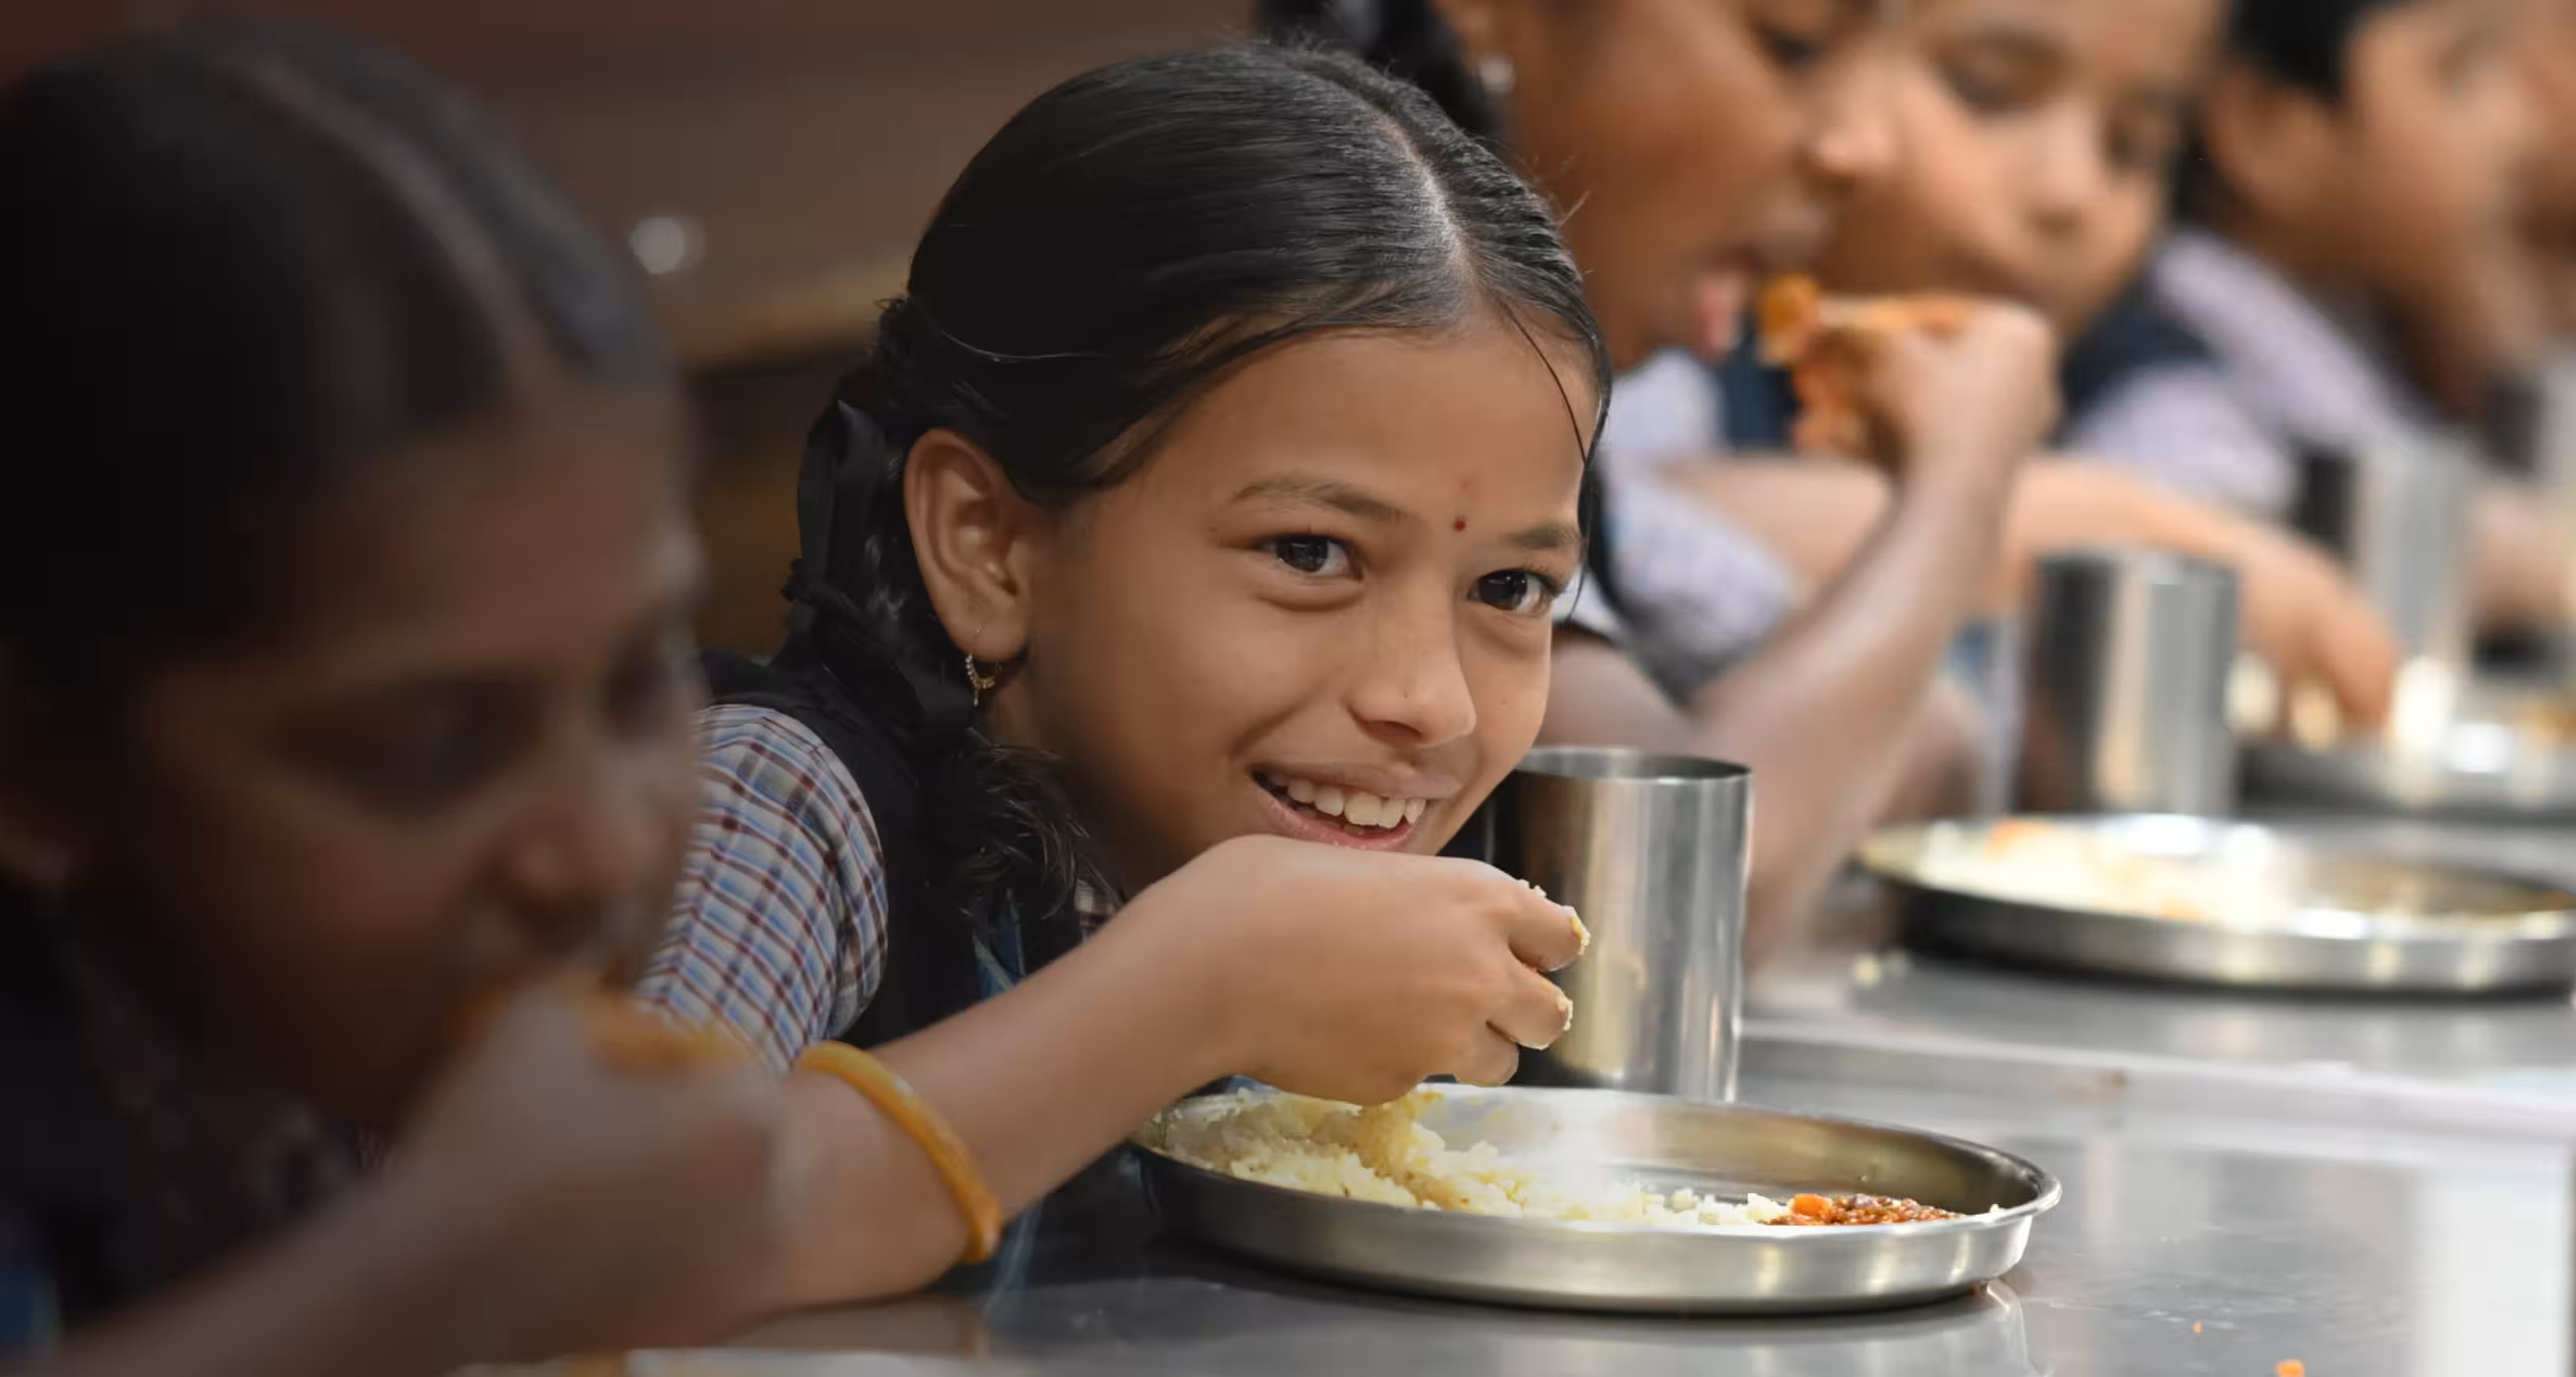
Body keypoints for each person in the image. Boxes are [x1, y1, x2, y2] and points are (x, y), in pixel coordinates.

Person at [0, 29, 1581, 1375]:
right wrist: (1193, 983)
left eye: (634, 680)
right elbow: (650, 1227)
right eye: (421, 746)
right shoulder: (783, 797)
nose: (600, 845)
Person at [654, 42, 1605, 1072]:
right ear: (990, 548)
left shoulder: (1363, 898)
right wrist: (1187, 1000)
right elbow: (583, 1227)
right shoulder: (782, 815)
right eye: (1310, 552)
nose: (1433, 703)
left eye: (1510, 588)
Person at [1267, 0, 2076, 951]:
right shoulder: (1330, 307)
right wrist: (1959, 483)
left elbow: (1916, 723)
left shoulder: (1576, 406)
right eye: (1796, 46)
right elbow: (1661, 893)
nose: (1862, 149)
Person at [1666, 0, 2404, 721]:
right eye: (1987, 91)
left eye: (2132, 144)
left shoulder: (2119, 348)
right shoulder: (1667, 318)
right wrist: (2088, 521)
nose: (2070, 192)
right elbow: (1630, 528)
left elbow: (2218, 476)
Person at [2064, 0, 2565, 635]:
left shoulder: (2363, 330)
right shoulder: (2162, 388)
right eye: (2458, 73)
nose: (2518, 128)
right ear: (2264, 125)